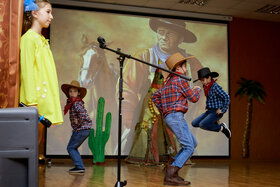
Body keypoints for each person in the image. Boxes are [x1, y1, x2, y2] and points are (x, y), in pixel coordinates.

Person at [124, 18, 203, 164]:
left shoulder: (192, 62)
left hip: (177, 117)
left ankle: (172, 166)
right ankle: (172, 169)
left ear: (180, 39)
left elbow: (202, 99)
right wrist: (129, 117)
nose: (164, 37)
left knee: (189, 144)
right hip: (152, 115)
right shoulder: (142, 57)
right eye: (161, 32)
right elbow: (127, 89)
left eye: (170, 34)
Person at [20, 0, 63, 160]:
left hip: (42, 100)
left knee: (36, 144)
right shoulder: (28, 39)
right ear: (35, 13)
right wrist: (32, 102)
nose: (51, 16)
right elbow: (27, 72)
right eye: (48, 11)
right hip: (35, 102)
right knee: (30, 146)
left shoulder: (41, 40)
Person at [152, 52, 201, 185]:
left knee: (192, 143)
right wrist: (197, 89)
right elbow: (194, 98)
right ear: (178, 68)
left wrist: (165, 111)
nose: (187, 69)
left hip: (171, 117)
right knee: (189, 147)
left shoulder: (167, 82)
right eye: (185, 66)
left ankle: (170, 167)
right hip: (176, 117)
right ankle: (171, 174)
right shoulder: (180, 80)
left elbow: (155, 96)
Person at [61, 80, 92, 173]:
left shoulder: (76, 103)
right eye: (70, 91)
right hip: (83, 129)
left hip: (81, 129)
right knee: (73, 147)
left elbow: (83, 115)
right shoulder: (74, 102)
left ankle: (79, 167)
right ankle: (79, 166)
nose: (72, 93)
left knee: (70, 148)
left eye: (74, 91)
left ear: (78, 93)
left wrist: (78, 123)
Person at [191, 67, 231, 138]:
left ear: (209, 78)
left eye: (203, 80)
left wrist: (222, 110)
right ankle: (214, 122)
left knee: (202, 124)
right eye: (201, 81)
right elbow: (203, 86)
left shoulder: (215, 86)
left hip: (216, 112)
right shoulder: (206, 86)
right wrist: (196, 88)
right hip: (209, 111)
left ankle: (222, 128)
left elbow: (227, 97)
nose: (202, 82)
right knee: (194, 123)